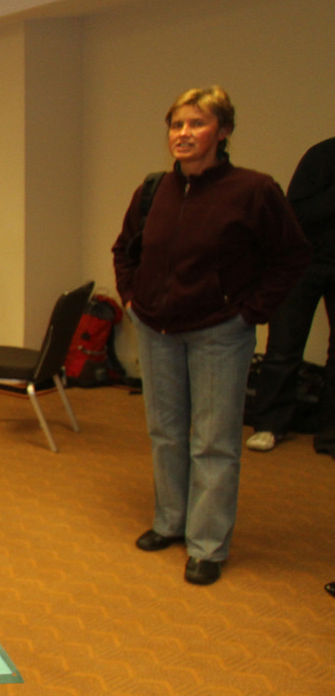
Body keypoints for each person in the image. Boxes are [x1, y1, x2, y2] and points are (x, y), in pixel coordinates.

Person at [112, 86, 309, 586]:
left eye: (196, 124)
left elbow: (291, 257)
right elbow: (125, 249)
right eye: (176, 124)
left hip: (219, 333)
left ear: (223, 132)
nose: (183, 134)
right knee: (166, 433)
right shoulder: (154, 189)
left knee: (214, 443)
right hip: (156, 329)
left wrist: (250, 313)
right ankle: (170, 522)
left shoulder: (254, 190)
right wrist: (132, 299)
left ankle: (207, 544)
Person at [248, 136, 335, 456]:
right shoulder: (323, 155)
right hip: (303, 262)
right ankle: (269, 424)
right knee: (285, 345)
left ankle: (329, 434)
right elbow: (298, 212)